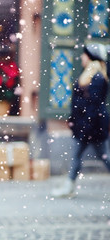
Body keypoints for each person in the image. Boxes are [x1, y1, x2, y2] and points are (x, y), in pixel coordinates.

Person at [51, 43, 110, 198]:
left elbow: (93, 105)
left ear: (91, 57)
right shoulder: (90, 75)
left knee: (103, 156)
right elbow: (81, 103)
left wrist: (86, 126)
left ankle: (68, 187)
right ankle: (68, 187)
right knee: (94, 156)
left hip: (92, 126)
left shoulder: (97, 77)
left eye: (85, 55)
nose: (82, 57)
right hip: (86, 125)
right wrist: (75, 120)